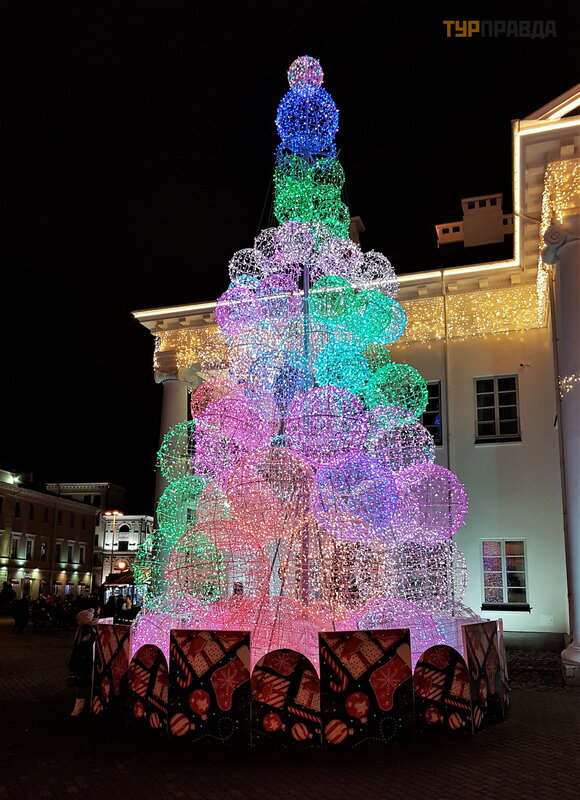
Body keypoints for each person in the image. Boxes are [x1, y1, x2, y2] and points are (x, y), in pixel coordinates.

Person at [67, 598, 99, 716]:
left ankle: (79, 708)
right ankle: (80, 708)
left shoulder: (82, 632)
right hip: (85, 663)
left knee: (82, 685)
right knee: (84, 685)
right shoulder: (88, 632)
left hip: (80, 663)